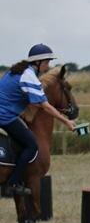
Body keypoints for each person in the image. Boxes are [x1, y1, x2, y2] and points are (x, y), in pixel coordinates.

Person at [0, 44, 76, 197]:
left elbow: (30, 99)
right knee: (32, 145)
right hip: (5, 117)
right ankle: (13, 184)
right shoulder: (29, 75)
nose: (48, 66)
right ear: (38, 62)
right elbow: (45, 106)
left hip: (5, 113)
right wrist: (66, 121)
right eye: (46, 62)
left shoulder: (15, 71)